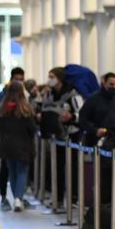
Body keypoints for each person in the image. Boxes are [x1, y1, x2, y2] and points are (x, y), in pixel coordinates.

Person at [38, 66, 85, 209]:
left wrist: (71, 117)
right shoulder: (49, 94)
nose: (50, 80)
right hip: (55, 136)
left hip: (71, 135)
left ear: (60, 78)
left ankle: (73, 198)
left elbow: (81, 114)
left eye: (52, 77)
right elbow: (44, 108)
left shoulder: (73, 95)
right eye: (49, 76)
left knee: (72, 168)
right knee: (56, 167)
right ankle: (57, 198)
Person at [0, 81, 37, 212]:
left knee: (12, 172)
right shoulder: (26, 108)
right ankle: (18, 199)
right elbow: (32, 128)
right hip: (23, 145)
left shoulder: (2, 109)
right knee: (22, 172)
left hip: (6, 145)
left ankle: (16, 198)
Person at [78, 72, 115, 147]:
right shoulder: (93, 99)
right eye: (111, 84)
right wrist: (95, 130)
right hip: (96, 141)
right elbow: (83, 119)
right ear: (104, 83)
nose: (114, 87)